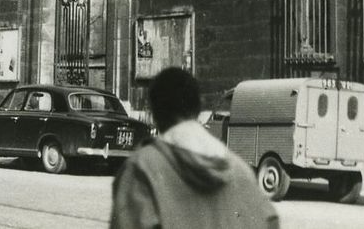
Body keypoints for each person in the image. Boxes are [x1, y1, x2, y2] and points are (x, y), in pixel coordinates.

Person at [110, 67, 278, 229]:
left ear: (154, 112)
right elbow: (270, 220)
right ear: (198, 106)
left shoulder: (142, 170)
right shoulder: (242, 171)